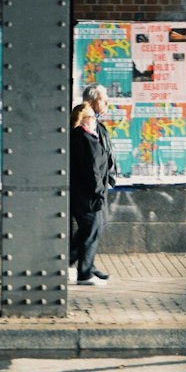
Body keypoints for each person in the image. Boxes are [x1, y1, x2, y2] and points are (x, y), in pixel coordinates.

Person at [69, 101, 111, 286]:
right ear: (85, 120)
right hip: (88, 196)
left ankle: (64, 263)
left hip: (86, 194)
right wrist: (99, 191)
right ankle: (84, 273)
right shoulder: (85, 139)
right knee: (92, 228)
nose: (95, 120)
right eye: (92, 117)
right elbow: (91, 169)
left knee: (89, 229)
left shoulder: (84, 137)